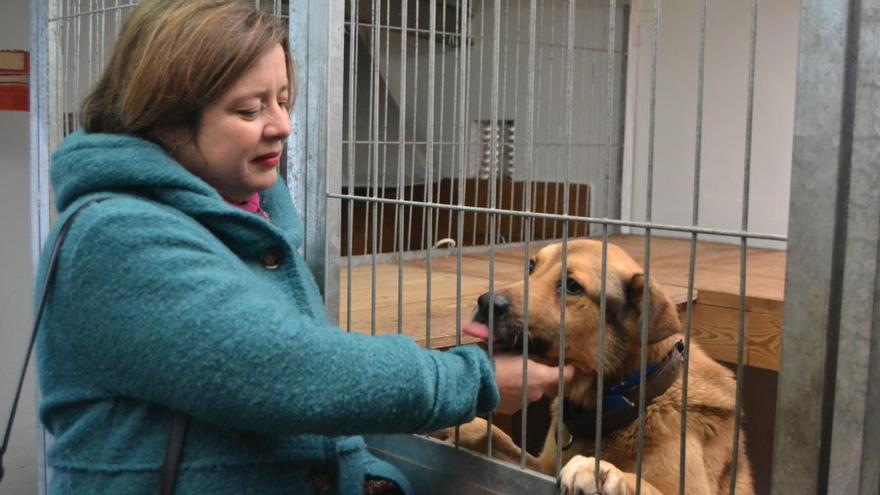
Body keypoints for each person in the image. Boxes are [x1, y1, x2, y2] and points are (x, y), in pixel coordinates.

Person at [34, 0, 573, 493]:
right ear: (166, 118)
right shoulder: (113, 237)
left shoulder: (252, 220)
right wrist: (469, 380)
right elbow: (277, 372)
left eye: (284, 100)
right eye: (250, 110)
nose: (283, 126)